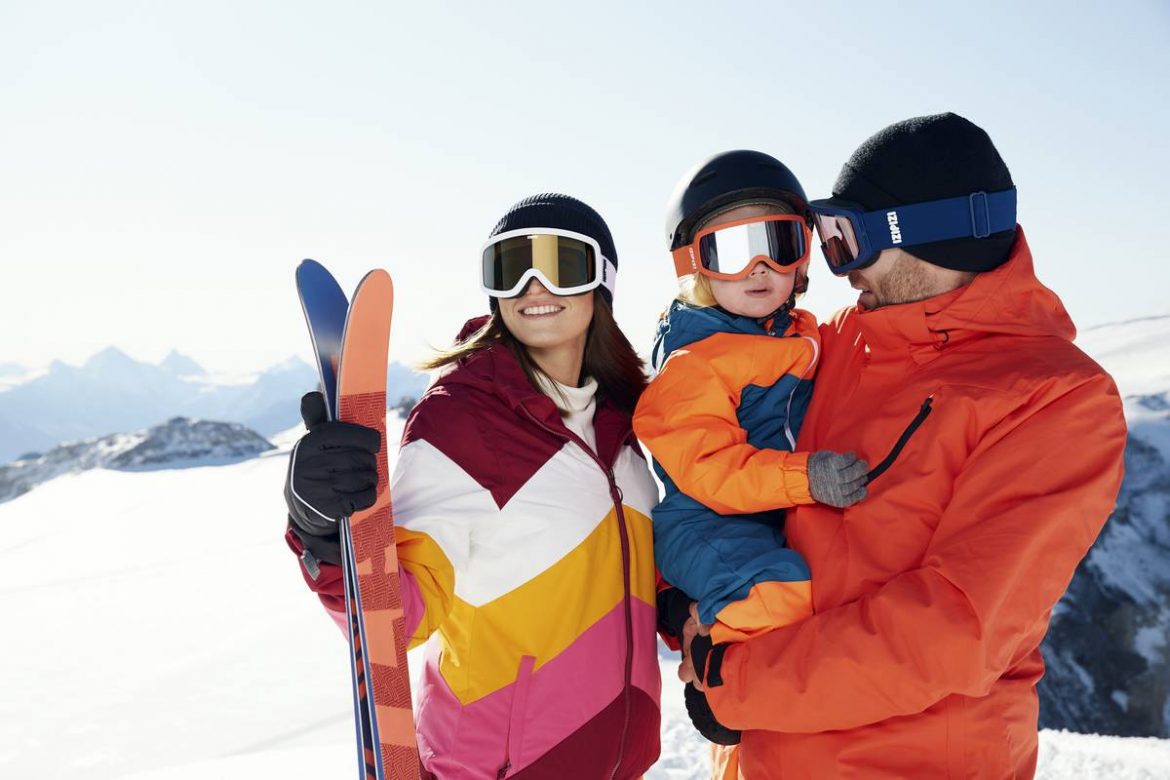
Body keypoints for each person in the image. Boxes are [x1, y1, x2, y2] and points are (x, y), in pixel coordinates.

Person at [676, 113, 1128, 778]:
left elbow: (955, 628)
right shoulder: (837, 344)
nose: (840, 269)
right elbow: (714, 450)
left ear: (922, 236)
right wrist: (681, 593)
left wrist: (738, 684)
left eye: (847, 239)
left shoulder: (1054, 398)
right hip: (767, 754)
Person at [284, 194, 663, 779]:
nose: (534, 287)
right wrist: (323, 533)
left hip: (619, 762)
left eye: (562, 264)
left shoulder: (627, 421)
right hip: (498, 766)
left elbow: (629, 567)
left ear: (602, 282)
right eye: (511, 268)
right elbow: (400, 616)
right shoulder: (462, 421)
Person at [633, 150, 868, 745]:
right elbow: (708, 470)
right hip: (705, 522)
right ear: (696, 266)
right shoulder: (695, 363)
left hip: (764, 517)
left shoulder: (802, 334)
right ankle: (708, 663)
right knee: (776, 588)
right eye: (732, 252)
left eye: (779, 243)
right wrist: (806, 479)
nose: (760, 267)